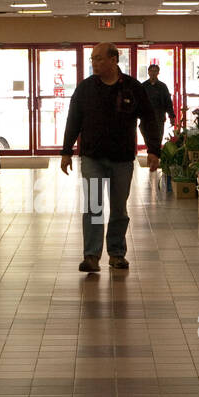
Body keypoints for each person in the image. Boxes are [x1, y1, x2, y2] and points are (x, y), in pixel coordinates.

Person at [60, 42, 162, 273]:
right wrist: (66, 151)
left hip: (122, 158)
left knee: (118, 208)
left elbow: (148, 118)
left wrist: (154, 149)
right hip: (92, 157)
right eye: (92, 59)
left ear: (114, 60)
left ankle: (116, 253)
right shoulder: (86, 88)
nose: (94, 63)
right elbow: (73, 120)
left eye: (98, 58)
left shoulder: (133, 88)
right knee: (93, 206)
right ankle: (91, 256)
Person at [142, 63, 176, 142]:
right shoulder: (143, 86)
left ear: (158, 72)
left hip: (159, 117)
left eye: (155, 71)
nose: (153, 73)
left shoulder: (162, 86)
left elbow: (168, 102)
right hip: (146, 118)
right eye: (151, 71)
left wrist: (171, 116)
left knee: (158, 138)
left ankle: (156, 150)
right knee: (148, 139)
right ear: (148, 72)